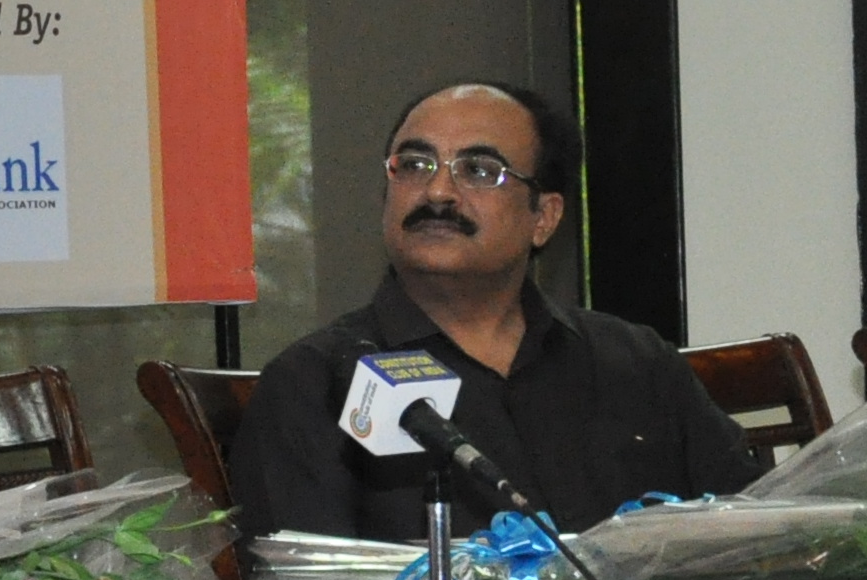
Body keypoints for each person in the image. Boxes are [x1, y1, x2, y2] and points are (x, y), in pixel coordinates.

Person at [232, 82, 760, 540]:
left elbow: (751, 536)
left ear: (544, 217)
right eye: (414, 165)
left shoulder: (638, 364)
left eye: (480, 170)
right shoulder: (315, 383)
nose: (438, 190)